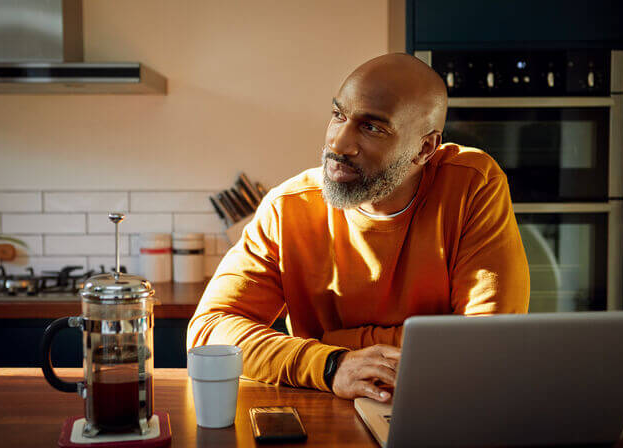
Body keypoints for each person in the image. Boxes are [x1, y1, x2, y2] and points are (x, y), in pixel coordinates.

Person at [187, 53, 530, 403]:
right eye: (338, 115)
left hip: (440, 403)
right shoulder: (288, 207)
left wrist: (334, 341)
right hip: (325, 405)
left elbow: (489, 343)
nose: (338, 143)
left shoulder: (472, 184)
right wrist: (332, 364)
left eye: (372, 127)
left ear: (425, 149)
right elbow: (210, 331)